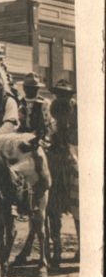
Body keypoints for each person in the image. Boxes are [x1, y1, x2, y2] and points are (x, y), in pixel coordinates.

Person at [47, 79, 79, 263]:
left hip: (71, 154)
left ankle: (82, 246)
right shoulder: (54, 112)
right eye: (59, 93)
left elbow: (75, 139)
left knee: (78, 203)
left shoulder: (74, 113)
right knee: (52, 207)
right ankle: (56, 249)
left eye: (64, 94)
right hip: (57, 158)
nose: (61, 97)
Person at [18, 72, 50, 139]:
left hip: (39, 137)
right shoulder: (19, 102)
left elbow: (47, 122)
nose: (30, 90)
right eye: (27, 87)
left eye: (33, 88)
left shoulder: (44, 103)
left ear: (38, 88)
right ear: (24, 88)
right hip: (20, 136)